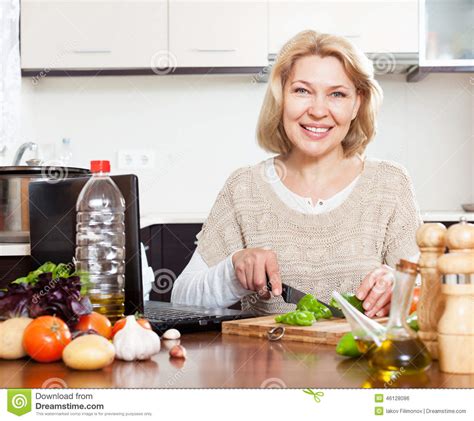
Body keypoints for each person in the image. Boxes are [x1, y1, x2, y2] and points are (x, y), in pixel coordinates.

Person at [171, 30, 422, 318]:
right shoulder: (244, 188)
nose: (317, 110)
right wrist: (233, 270)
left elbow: (430, 290)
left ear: (357, 103)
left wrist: (402, 285)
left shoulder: (389, 184)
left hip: (364, 363)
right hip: (264, 363)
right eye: (302, 91)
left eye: (337, 94)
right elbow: (182, 297)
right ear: (281, 97)